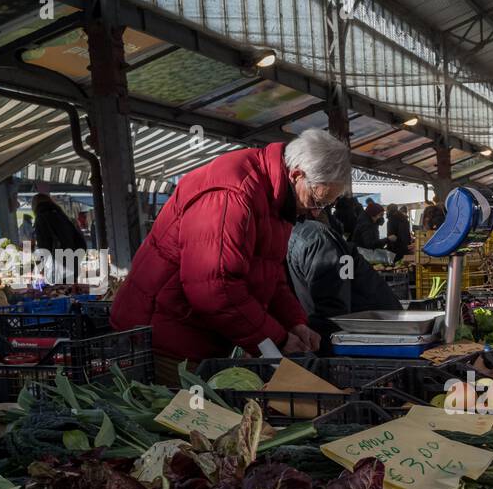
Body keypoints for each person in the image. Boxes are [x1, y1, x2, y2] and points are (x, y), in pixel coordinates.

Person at [110, 129, 341, 373]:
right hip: (162, 343)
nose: (317, 212)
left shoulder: (278, 200)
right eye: (317, 201)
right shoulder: (232, 194)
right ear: (296, 175)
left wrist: (294, 322)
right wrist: (276, 340)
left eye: (326, 205)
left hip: (198, 341)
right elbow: (215, 289)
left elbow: (271, 276)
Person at [286, 216, 402, 349]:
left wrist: (317, 347)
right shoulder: (298, 240)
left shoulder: (315, 240)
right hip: (358, 330)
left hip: (373, 334)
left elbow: (333, 307)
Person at [31, 193, 88, 283]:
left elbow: (43, 246)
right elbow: (81, 243)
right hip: (72, 266)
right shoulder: (62, 216)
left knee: (59, 290)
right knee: (71, 290)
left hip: (57, 268)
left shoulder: (41, 218)